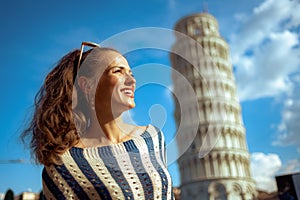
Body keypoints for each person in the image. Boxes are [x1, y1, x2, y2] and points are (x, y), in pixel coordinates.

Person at [22, 42, 174, 199]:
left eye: (131, 73)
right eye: (118, 71)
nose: (131, 80)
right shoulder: (63, 165)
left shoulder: (153, 138)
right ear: (87, 85)